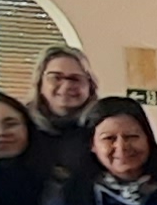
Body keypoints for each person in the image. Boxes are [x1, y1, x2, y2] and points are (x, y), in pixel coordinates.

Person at [19, 45, 101, 183]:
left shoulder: (104, 126)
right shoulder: (20, 124)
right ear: (39, 83)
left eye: (75, 78)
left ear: (90, 86)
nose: (66, 85)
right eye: (56, 78)